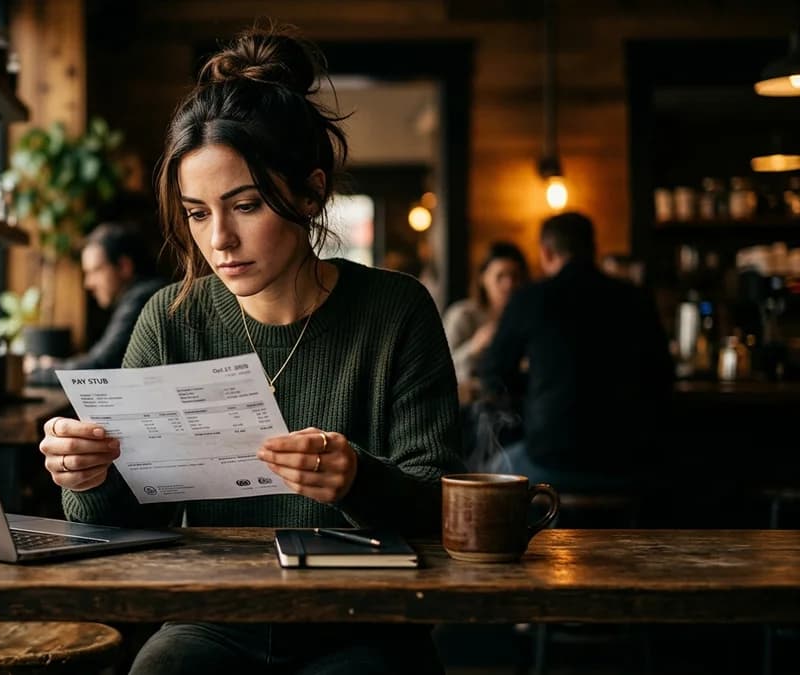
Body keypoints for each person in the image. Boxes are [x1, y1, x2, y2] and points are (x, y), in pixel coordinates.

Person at [38, 25, 463, 675]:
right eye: (199, 213)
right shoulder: (172, 319)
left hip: (365, 621)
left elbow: (441, 507)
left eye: (246, 204)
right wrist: (86, 477)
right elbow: (118, 523)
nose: (221, 239)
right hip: (214, 618)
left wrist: (357, 478)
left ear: (312, 191)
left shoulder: (396, 311)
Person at [478, 212, 673, 490]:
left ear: (545, 253)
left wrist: (536, 389)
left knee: (488, 472)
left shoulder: (530, 298)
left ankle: (540, 532)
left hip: (552, 457)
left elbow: (493, 373)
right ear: (594, 250)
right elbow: (663, 376)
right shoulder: (635, 298)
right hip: (629, 460)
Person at [27, 223, 165, 386]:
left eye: (95, 271)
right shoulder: (142, 294)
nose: (88, 284)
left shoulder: (142, 298)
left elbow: (100, 366)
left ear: (123, 267)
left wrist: (37, 371)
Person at [442, 242, 529, 386]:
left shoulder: (526, 317)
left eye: (515, 276)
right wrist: (475, 346)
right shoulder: (462, 314)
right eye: (500, 276)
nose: (509, 284)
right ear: (483, 278)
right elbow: (440, 369)